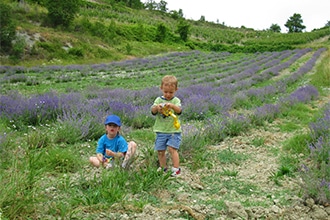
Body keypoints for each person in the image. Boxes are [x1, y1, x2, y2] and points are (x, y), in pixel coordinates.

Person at [151, 75, 182, 177]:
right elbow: (152, 111)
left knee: (172, 149)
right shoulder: (158, 100)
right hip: (161, 130)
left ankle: (176, 169)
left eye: (171, 92)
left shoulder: (176, 100)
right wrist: (157, 108)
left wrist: (172, 106)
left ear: (176, 90)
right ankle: (163, 167)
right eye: (166, 92)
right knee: (160, 151)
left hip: (173, 130)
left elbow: (179, 110)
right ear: (161, 89)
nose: (168, 95)